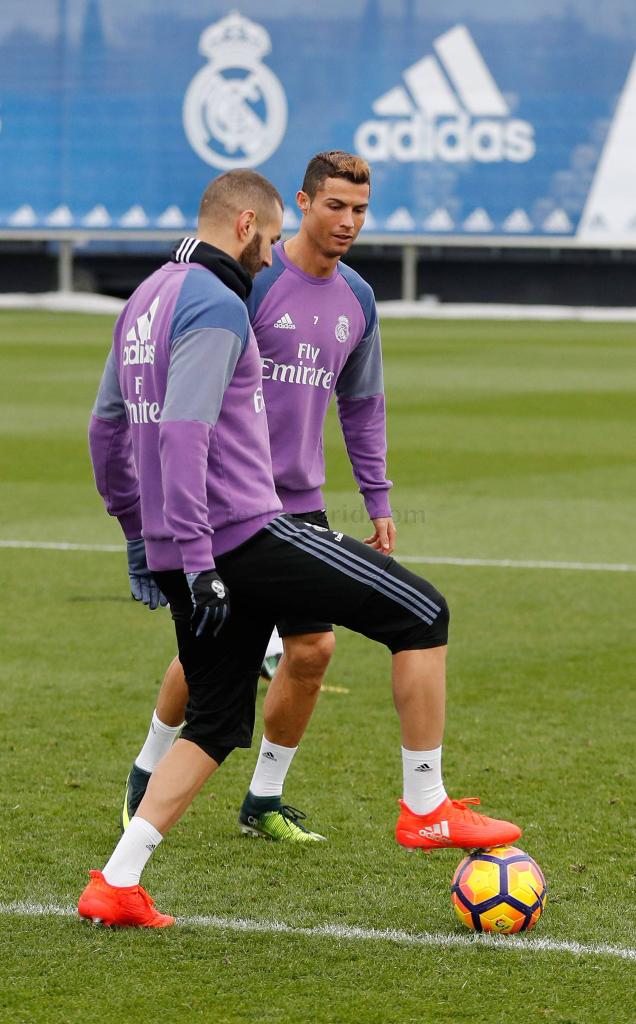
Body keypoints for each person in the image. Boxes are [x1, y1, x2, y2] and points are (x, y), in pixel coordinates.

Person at [79, 168, 521, 928]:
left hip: (183, 543)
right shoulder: (218, 302)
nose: (272, 254)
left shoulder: (146, 297)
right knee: (422, 611)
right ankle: (425, 806)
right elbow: (183, 431)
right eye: (273, 236)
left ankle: (116, 883)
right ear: (246, 225)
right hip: (244, 533)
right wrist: (199, 557)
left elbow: (106, 430)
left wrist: (140, 538)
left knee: (216, 722)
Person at [121, 152, 398, 843]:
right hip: (231, 503)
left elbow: (362, 405)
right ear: (303, 203)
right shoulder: (250, 281)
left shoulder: (358, 300)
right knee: (219, 651)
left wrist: (378, 496)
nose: (349, 221)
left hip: (298, 505)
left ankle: (264, 798)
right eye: (335, 205)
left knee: (313, 649)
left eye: (360, 210)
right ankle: (147, 769)